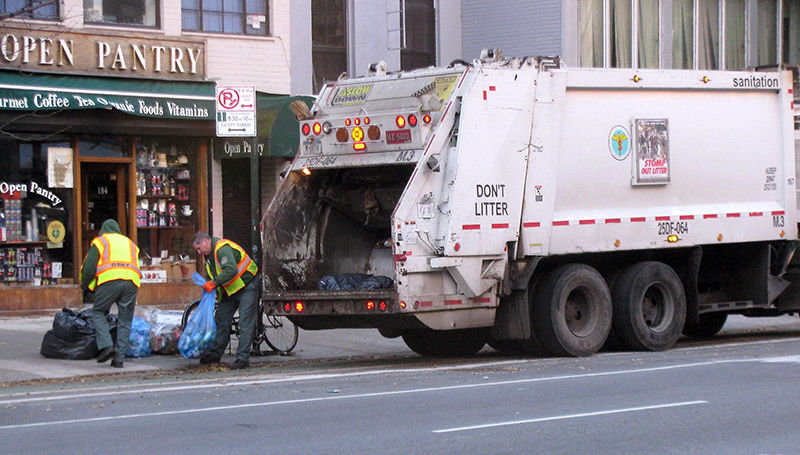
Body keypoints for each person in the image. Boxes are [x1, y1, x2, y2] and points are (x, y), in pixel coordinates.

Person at [191, 231, 259, 370]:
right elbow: (214, 275)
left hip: (247, 285)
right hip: (232, 289)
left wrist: (214, 283)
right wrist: (214, 288)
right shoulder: (209, 257)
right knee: (221, 319)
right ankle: (215, 354)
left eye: (199, 248)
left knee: (245, 323)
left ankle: (242, 359)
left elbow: (231, 270)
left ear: (205, 242)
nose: (199, 253)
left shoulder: (222, 249)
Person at [80, 219, 142, 368]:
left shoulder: (101, 242)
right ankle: (119, 360)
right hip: (131, 282)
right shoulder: (130, 243)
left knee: (99, 312)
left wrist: (85, 286)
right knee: (125, 320)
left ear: (103, 231)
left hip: (109, 281)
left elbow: (89, 268)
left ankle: (106, 346)